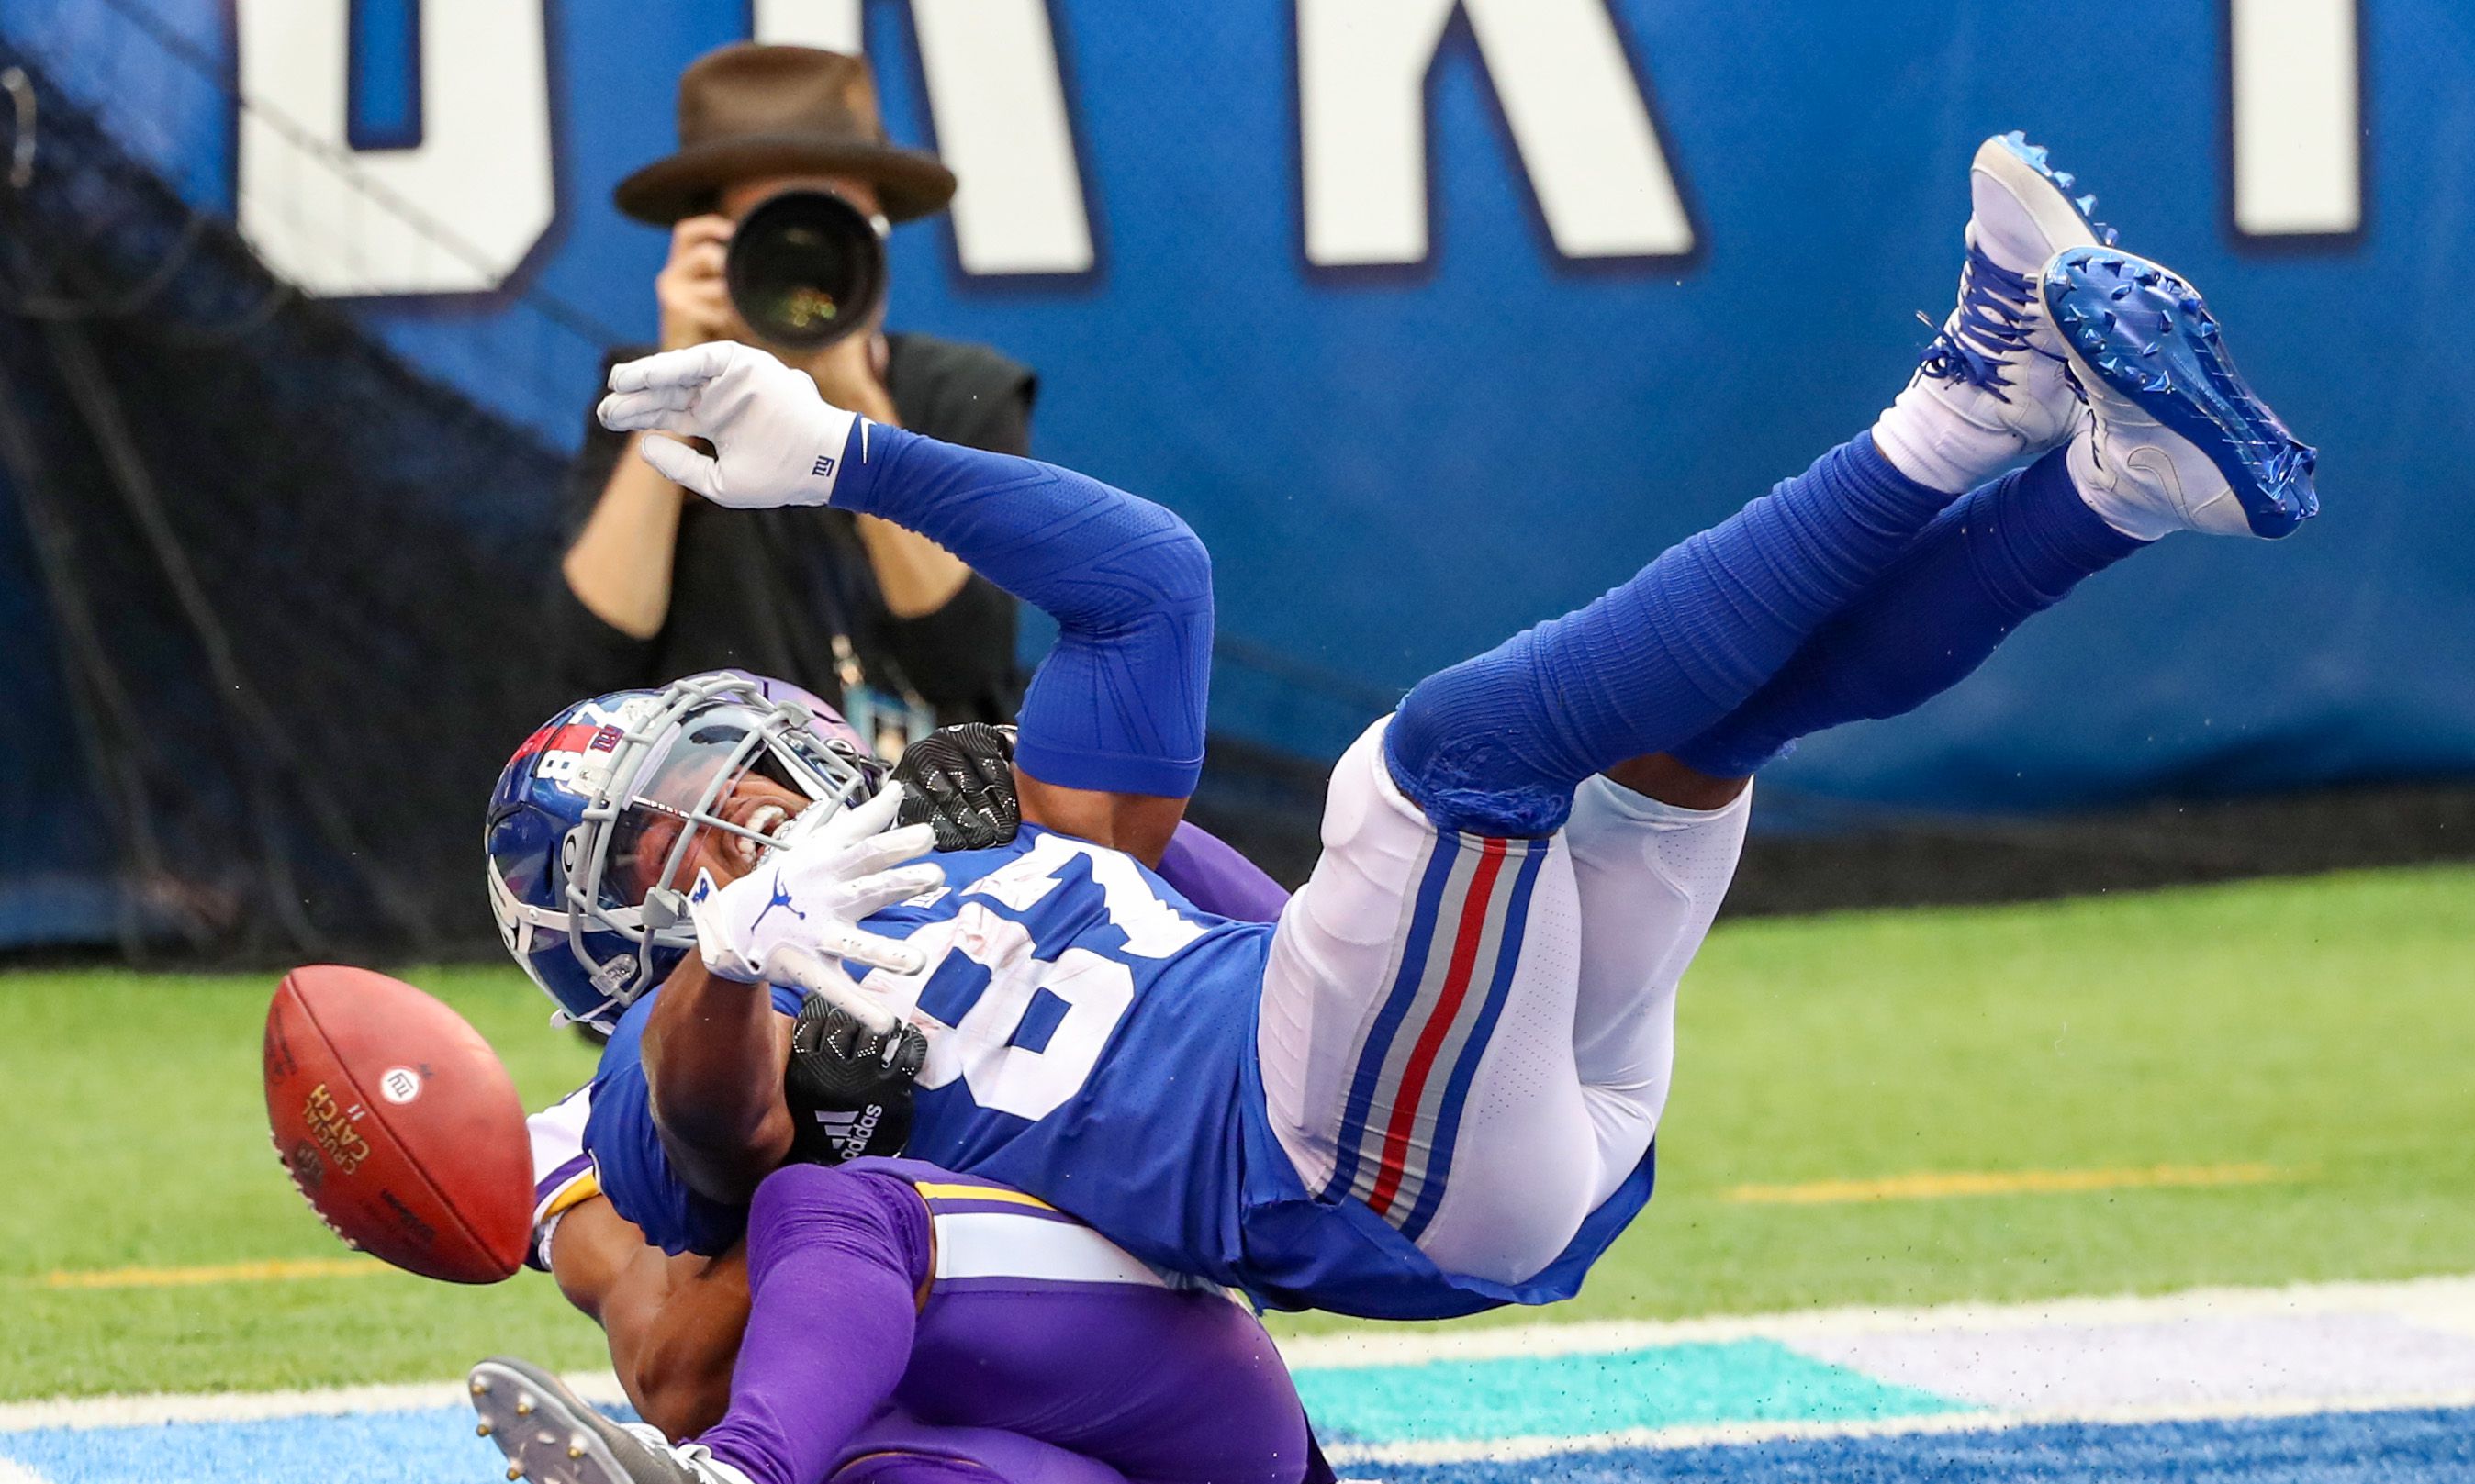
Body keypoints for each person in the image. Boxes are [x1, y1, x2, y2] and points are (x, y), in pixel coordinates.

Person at [500, 134, 2316, 1327]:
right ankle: (1958, 399)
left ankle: (2114, 489)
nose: (726, 818)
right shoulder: (670, 1048)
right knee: (1439, 763)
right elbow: (703, 1165)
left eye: (708, 776)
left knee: (1690, 734)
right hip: (1343, 1159)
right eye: (663, 844)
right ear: (624, 942)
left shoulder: (1018, 828)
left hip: (1470, 1097)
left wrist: (836, 454)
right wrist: (728, 977)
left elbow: (1151, 577)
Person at [483, 1102, 1647, 1484]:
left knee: (827, 1203)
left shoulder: (948, 880)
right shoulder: (593, 1117)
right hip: (1020, 1457)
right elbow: (670, 1369)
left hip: (1173, 1383)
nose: (710, 843)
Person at [554, 43, 1032, 734]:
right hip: (717, 812)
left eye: (839, 226)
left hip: (927, 818)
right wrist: (682, 375)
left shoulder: (963, 392)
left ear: (880, 237)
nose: (806, 257)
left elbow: (964, 659)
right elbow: (592, 655)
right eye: (774, 230)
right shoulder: (643, 389)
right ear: (713, 245)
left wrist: (854, 397)